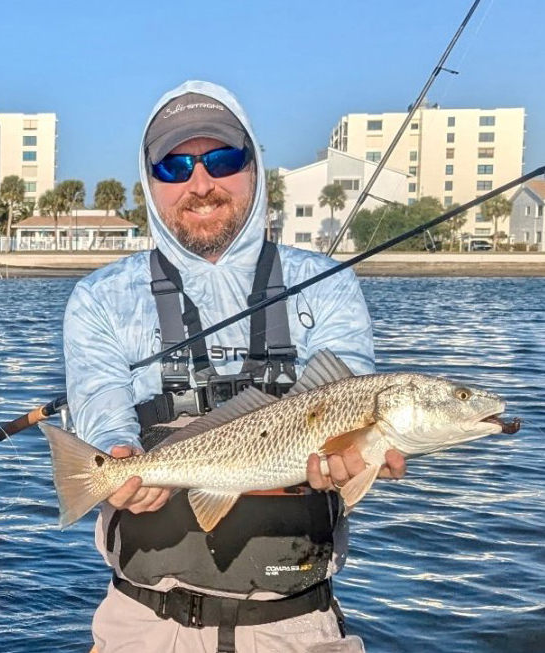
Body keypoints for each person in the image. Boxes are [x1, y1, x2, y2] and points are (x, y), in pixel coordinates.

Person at [62, 81, 407, 653]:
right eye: (175, 166)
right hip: (143, 625)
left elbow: (347, 397)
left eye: (222, 159)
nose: (201, 184)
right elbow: (102, 406)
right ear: (150, 183)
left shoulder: (330, 286)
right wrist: (115, 459)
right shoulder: (101, 297)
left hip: (298, 625)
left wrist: (354, 460)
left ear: (255, 167)